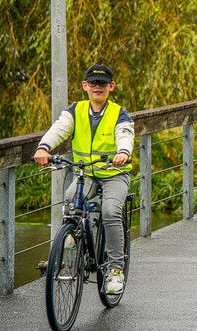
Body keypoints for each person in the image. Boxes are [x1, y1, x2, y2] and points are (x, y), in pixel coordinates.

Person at [33, 64, 134, 295]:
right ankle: (71, 253)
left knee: (110, 212)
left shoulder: (119, 114)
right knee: (70, 204)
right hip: (85, 172)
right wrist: (44, 147)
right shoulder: (75, 111)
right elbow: (59, 129)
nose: (97, 87)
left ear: (111, 86)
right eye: (93, 83)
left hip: (113, 174)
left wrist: (123, 153)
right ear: (85, 86)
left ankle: (115, 269)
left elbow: (125, 135)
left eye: (102, 83)